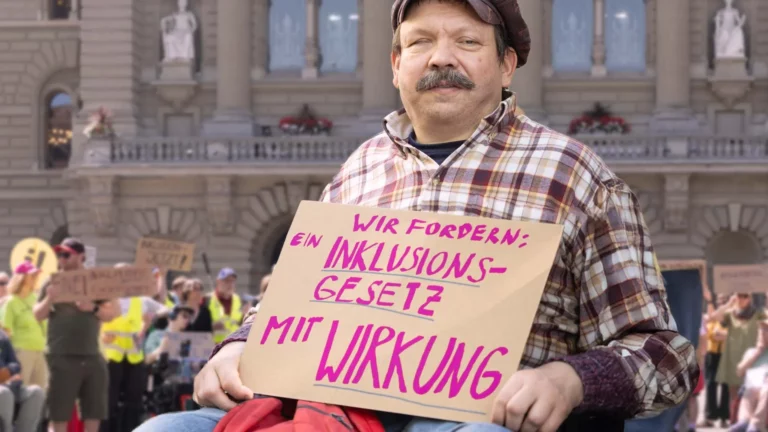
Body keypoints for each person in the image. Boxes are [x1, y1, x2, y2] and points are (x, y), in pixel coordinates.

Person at [136, 1, 698, 431]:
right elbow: (286, 312)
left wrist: (569, 379)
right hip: (334, 414)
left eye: (467, 41)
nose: (441, 57)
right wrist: (237, 347)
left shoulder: (574, 174)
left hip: (479, 419)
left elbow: (665, 358)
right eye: (420, 41)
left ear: (506, 66)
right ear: (396, 65)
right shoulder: (358, 173)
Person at [33, 238, 121, 432]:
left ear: (81, 256)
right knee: (59, 414)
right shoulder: (53, 280)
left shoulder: (94, 282)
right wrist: (49, 298)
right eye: (60, 254)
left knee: (93, 412)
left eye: (66, 254)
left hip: (91, 356)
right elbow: (37, 315)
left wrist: (93, 308)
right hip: (61, 356)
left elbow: (113, 313)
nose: (61, 258)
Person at [100, 263, 169, 432]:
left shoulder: (141, 300)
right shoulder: (103, 298)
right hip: (110, 357)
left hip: (134, 357)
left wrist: (151, 317)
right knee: (108, 401)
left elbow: (167, 309)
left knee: (134, 401)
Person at [710, 293, 766, 411]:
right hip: (733, 358)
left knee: (752, 394)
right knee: (734, 395)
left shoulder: (758, 313)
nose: (741, 299)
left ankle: (749, 422)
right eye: (739, 295)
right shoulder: (731, 313)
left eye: (745, 296)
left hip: (751, 360)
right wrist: (729, 303)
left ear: (750, 298)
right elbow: (714, 316)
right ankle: (735, 421)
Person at [2, 262, 48, 389]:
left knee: (40, 393)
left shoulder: (37, 299)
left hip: (40, 351)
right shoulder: (11, 302)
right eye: (32, 274)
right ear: (21, 277)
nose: (36, 277)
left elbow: (45, 325)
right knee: (20, 392)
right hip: (21, 352)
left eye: (36, 274)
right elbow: (5, 333)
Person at [0, 328, 45, 432]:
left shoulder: (2, 336)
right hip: (3, 390)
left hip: (8, 382)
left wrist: (9, 372)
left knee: (36, 392)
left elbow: (15, 363)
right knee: (4, 393)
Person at [728, 320, 768, 432]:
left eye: (766, 329)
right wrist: (758, 352)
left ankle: (755, 424)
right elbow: (739, 371)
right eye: (762, 329)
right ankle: (744, 421)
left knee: (766, 390)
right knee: (749, 389)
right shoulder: (751, 352)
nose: (763, 332)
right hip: (752, 389)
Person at [703, 294, 731, 428]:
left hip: (726, 354)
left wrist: (722, 335)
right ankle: (710, 417)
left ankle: (724, 418)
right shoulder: (714, 315)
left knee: (725, 386)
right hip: (712, 354)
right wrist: (722, 335)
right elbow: (711, 333)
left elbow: (731, 334)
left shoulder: (733, 316)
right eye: (720, 300)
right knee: (710, 384)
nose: (722, 303)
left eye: (724, 300)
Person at [208, 268, 242, 344]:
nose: (230, 284)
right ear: (218, 282)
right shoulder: (209, 300)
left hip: (233, 343)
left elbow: (238, 321)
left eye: (232, 281)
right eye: (227, 281)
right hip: (214, 345)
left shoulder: (237, 299)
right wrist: (212, 327)